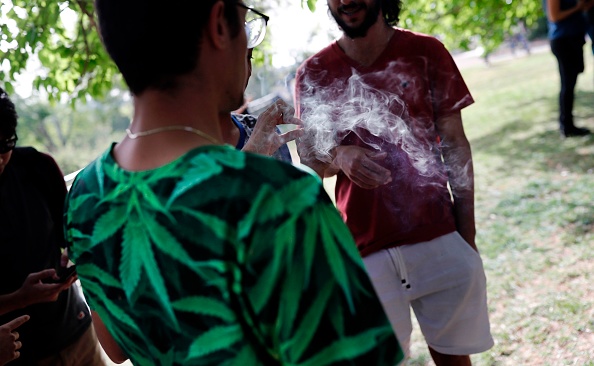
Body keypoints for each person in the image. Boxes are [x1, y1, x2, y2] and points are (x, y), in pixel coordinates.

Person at [64, 1, 404, 365]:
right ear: (219, 26)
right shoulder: (278, 198)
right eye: (248, 25)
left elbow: (115, 349)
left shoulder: (86, 195)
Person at [294, 0, 494, 364]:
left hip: (437, 234)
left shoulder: (426, 51)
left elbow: (455, 144)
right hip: (364, 250)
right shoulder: (314, 71)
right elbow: (310, 160)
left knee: (454, 359)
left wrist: (467, 237)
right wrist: (340, 155)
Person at [0, 87, 104, 365]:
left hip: (78, 332)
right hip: (20, 355)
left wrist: (74, 259)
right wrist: (18, 299)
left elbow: (72, 237)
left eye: (5, 145)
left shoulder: (37, 166)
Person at [223, 48, 302, 161]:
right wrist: (253, 154)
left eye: (249, 58)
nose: (248, 71)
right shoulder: (190, 147)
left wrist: (314, 167)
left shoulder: (263, 134)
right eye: (236, 58)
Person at [544, 0, 594, 137]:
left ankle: (567, 124)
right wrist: (578, 7)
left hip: (573, 38)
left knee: (571, 82)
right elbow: (554, 16)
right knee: (567, 85)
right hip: (564, 41)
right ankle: (566, 125)